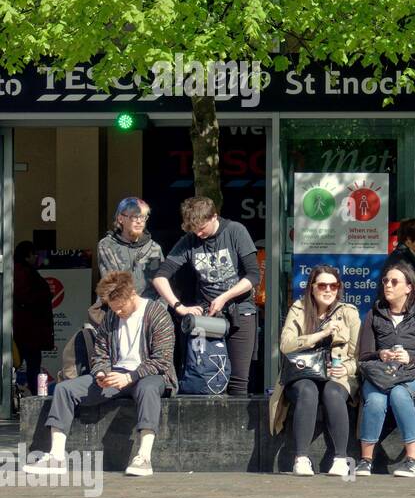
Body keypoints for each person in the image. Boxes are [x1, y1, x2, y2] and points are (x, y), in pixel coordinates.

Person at [24, 271, 176, 477]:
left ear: (132, 294)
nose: (118, 311)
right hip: (115, 374)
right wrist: (101, 373)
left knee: (148, 389)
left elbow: (162, 359)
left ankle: (144, 457)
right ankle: (56, 456)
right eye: (114, 308)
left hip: (148, 375)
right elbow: (100, 352)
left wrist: (130, 377)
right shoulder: (111, 315)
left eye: (121, 306)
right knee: (64, 389)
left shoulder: (157, 313)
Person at [152, 196, 261, 396]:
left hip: (240, 312)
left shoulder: (235, 231)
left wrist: (225, 297)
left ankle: (235, 427)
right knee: (206, 375)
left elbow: (253, 275)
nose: (199, 234)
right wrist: (179, 307)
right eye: (194, 230)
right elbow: (160, 277)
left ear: (214, 217)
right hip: (207, 317)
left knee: (238, 379)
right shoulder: (189, 240)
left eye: (202, 228)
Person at [270, 264, 361, 477]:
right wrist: (320, 335)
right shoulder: (299, 309)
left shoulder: (349, 313)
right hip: (303, 373)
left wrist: (345, 369)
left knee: (332, 391)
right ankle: (300, 459)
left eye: (333, 285)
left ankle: (340, 459)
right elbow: (286, 345)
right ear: (312, 287)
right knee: (307, 391)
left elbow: (359, 357)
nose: (328, 290)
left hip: (337, 374)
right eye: (322, 285)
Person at [355, 261, 415, 477]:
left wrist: (410, 357)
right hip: (380, 375)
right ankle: (365, 460)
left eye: (394, 281)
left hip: (413, 375)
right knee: (375, 399)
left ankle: (414, 461)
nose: (388, 285)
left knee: (400, 394)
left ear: (409, 287)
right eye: (385, 281)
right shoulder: (375, 314)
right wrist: (380, 354)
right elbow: (364, 356)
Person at [97, 197, 164, 297]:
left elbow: (162, 285)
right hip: (118, 307)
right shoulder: (107, 245)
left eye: (143, 217)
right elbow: (113, 286)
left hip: (150, 309)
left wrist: (157, 310)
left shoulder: (154, 248)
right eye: (134, 217)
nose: (139, 221)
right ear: (120, 219)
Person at [13, 241, 55, 399]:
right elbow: (23, 297)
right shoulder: (23, 272)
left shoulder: (21, 271)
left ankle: (30, 396)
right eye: (33, 254)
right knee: (30, 365)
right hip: (28, 330)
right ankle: (34, 398)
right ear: (27, 255)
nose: (36, 257)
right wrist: (44, 296)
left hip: (26, 329)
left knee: (25, 364)